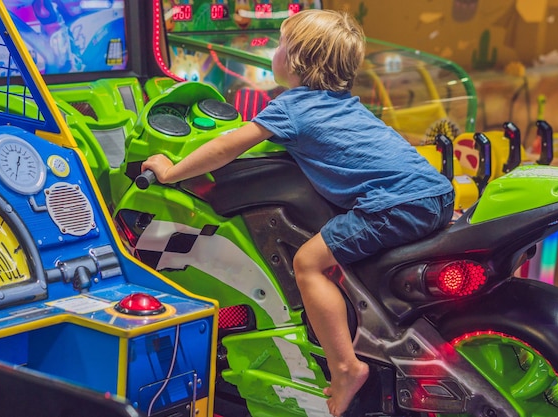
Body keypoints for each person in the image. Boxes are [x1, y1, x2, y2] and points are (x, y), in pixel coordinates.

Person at [141, 9, 454, 417]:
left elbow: (227, 147)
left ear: (296, 61)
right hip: (437, 194)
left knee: (308, 262)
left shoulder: (292, 107)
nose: (276, 52)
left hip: (394, 205)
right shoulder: (347, 105)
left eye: (281, 44)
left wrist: (170, 170)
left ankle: (345, 368)